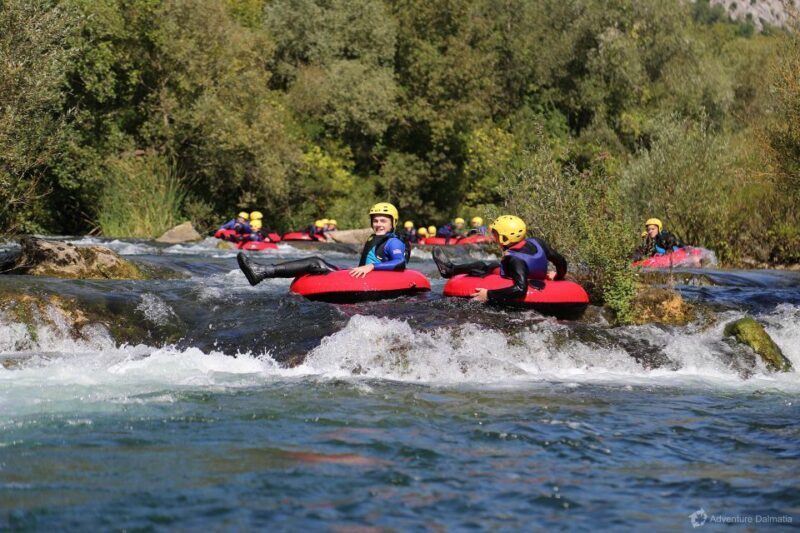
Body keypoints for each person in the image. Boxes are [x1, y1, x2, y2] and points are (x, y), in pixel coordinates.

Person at [237, 203, 408, 286]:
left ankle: (263, 271)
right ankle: (263, 272)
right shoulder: (373, 238)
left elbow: (399, 262)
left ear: (393, 223)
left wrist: (371, 267)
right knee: (318, 263)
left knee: (316, 263)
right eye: (376, 220)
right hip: (363, 279)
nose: (378, 224)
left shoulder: (393, 242)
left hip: (374, 280)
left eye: (383, 221)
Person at [432, 215, 567, 303]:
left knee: (482, 266)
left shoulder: (515, 259)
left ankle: (450, 270)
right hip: (532, 274)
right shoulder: (537, 242)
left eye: (495, 233)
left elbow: (520, 289)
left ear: (504, 238)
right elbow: (560, 261)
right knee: (487, 265)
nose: (493, 235)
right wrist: (558, 276)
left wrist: (488, 294)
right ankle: (451, 269)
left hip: (521, 279)